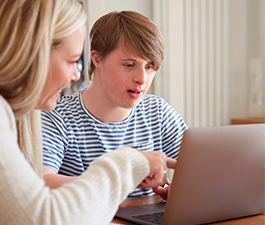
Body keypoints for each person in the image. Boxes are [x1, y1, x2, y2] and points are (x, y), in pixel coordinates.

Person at [0, 1, 172, 224]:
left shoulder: (18, 116)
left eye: (149, 67)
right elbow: (41, 213)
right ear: (33, 55)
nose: (75, 76)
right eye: (73, 61)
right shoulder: (49, 115)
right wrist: (128, 166)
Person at [41, 10, 187, 200]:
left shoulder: (158, 112)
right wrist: (123, 174)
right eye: (129, 65)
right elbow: (41, 182)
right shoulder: (57, 115)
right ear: (97, 58)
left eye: (149, 67)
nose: (141, 79)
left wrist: (182, 190)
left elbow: (202, 167)